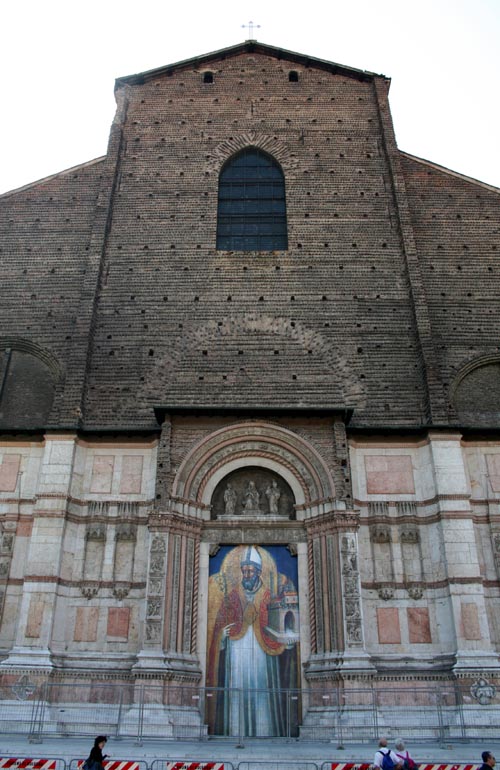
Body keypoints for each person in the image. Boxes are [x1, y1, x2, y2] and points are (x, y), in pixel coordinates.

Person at [206, 545, 299, 737]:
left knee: (263, 693)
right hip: (235, 654)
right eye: (244, 570)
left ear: (258, 571)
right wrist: (222, 636)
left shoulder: (268, 595)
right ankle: (234, 729)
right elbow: (220, 622)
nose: (247, 574)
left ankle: (266, 730)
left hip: (263, 655)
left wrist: (284, 639)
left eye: (250, 570)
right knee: (236, 691)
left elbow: (278, 623)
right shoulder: (232, 596)